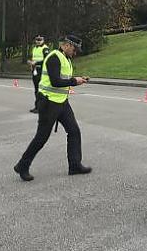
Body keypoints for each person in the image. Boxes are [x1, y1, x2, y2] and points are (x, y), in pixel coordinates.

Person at [14, 35, 92, 181]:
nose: (75, 53)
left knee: (74, 131)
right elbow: (56, 81)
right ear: (67, 45)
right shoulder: (54, 57)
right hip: (49, 103)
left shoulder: (66, 58)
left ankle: (74, 165)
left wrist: (77, 78)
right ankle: (22, 165)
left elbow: (63, 79)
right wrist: (75, 81)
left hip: (62, 102)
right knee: (41, 137)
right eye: (74, 49)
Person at [28, 35, 50, 113]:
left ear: (43, 40)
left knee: (41, 90)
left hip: (42, 71)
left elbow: (46, 60)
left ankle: (41, 107)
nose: (38, 41)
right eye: (37, 39)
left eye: (40, 40)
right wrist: (31, 64)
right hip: (35, 71)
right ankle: (37, 106)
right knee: (36, 90)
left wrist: (36, 62)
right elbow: (34, 58)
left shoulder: (45, 49)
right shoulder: (34, 48)